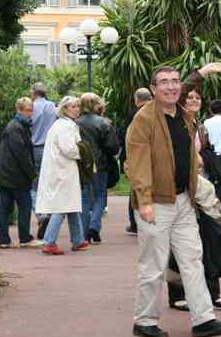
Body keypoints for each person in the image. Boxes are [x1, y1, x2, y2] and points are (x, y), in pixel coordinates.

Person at [126, 63, 221, 337]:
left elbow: (184, 88)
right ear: (153, 89)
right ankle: (145, 320)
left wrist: (204, 72)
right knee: (154, 265)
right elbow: (136, 164)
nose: (172, 86)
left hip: (184, 200)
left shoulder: (182, 114)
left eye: (175, 81)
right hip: (155, 203)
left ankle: (203, 319)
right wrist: (144, 200)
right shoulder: (144, 119)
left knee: (192, 260)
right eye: (164, 82)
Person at [167, 83, 221, 311]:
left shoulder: (200, 126)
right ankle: (177, 294)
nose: (194, 101)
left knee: (211, 239)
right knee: (181, 243)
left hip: (202, 188)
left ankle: (213, 292)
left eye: (198, 98)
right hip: (182, 188)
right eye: (190, 97)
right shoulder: (176, 122)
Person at [35, 96, 90, 255]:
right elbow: (69, 149)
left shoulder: (59, 125)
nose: (76, 109)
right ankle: (49, 241)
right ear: (64, 109)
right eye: (72, 106)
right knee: (61, 206)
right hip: (64, 171)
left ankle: (78, 239)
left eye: (77, 106)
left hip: (59, 170)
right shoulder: (67, 127)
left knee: (71, 205)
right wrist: (84, 153)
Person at [0, 97, 40, 249]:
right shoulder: (16, 127)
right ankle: (24, 238)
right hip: (15, 176)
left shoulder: (17, 126)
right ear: (19, 110)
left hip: (8, 175)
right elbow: (21, 154)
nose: (30, 113)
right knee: (24, 206)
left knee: (5, 208)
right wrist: (32, 173)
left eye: (31, 110)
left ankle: (4, 240)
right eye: (28, 110)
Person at [77, 92, 119, 244]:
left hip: (81, 164)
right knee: (100, 195)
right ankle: (94, 227)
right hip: (100, 164)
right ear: (96, 104)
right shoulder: (104, 123)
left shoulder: (75, 122)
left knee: (84, 198)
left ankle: (86, 232)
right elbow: (112, 147)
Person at [119, 87, 153, 236]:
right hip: (152, 158)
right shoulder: (156, 113)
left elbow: (123, 138)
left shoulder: (133, 115)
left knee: (136, 190)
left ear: (136, 100)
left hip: (135, 159)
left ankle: (135, 223)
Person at [30, 82, 58, 240]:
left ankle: (41, 214)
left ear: (34, 93)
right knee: (47, 183)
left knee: (33, 184)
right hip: (50, 149)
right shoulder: (52, 107)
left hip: (34, 149)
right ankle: (48, 212)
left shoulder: (31, 107)